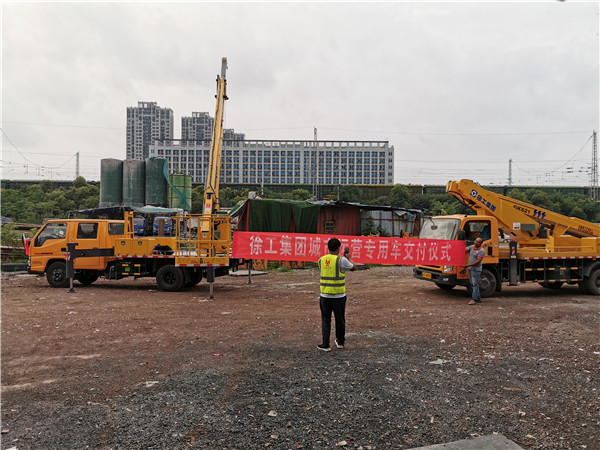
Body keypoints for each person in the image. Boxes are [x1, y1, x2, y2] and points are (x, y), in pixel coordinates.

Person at [317, 238, 355, 351]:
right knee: (340, 319)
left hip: (325, 296)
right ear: (338, 248)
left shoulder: (321, 260)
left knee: (326, 320)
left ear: (328, 247)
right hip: (338, 296)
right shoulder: (341, 260)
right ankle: (340, 342)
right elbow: (354, 268)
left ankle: (326, 344)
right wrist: (349, 258)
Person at [462, 237, 485, 305]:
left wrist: (468, 265)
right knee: (473, 283)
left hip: (476, 270)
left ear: (480, 243)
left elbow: (478, 261)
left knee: (475, 284)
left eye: (478, 242)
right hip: (471, 269)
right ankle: (477, 297)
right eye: (475, 241)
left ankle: (474, 299)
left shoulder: (481, 251)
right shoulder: (472, 247)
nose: (475, 242)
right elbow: (465, 251)